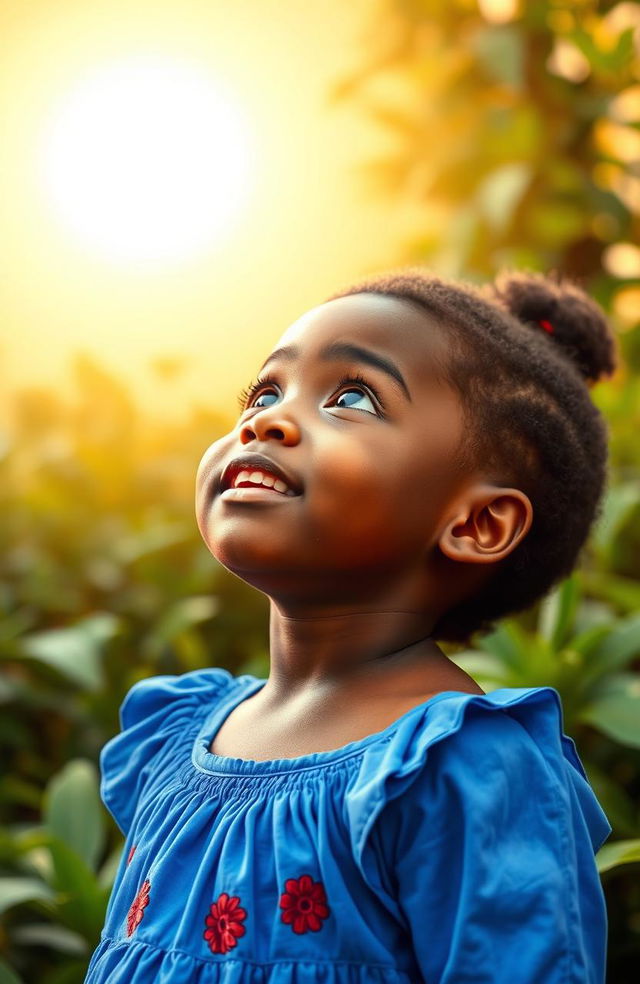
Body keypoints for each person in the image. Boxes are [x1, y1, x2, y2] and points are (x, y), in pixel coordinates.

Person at [85, 269, 615, 983]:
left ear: (477, 523)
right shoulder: (179, 740)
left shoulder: (465, 771)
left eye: (352, 398)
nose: (265, 420)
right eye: (264, 392)